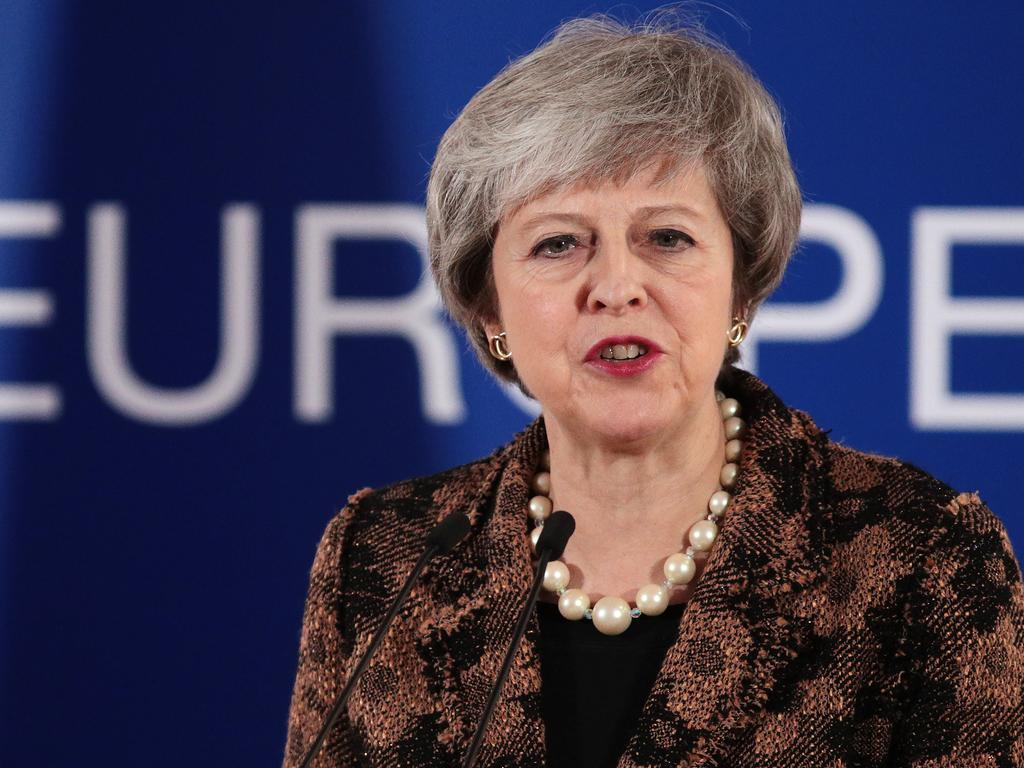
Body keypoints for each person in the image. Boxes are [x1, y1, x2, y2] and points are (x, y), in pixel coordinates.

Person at [282, 14, 1024, 768]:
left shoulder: (923, 558)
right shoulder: (385, 560)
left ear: (741, 286)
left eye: (665, 237)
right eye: (558, 243)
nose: (615, 287)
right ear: (489, 307)